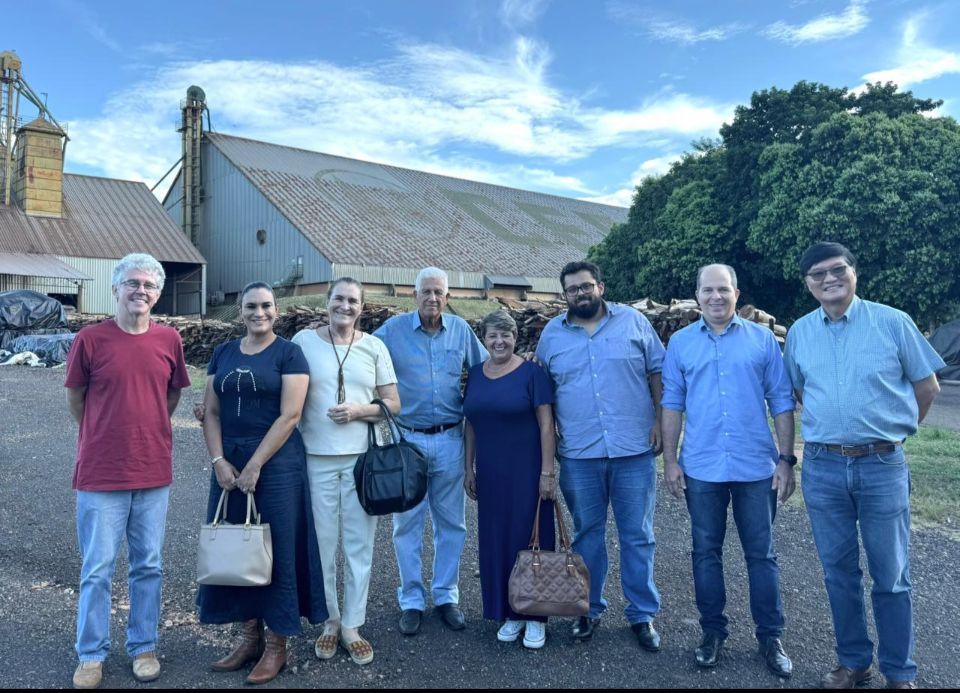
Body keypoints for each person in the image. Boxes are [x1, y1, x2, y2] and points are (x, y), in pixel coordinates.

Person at [784, 242, 944, 690]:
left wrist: (895, 433)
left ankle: (899, 672)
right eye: (818, 274)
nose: (829, 279)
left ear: (855, 272)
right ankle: (854, 663)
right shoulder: (799, 332)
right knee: (838, 572)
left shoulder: (893, 322)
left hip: (882, 466)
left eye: (838, 270)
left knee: (891, 575)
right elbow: (798, 392)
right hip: (823, 467)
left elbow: (926, 386)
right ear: (808, 284)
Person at [661, 264, 796, 677]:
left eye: (723, 289)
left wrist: (786, 459)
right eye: (708, 290)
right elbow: (672, 404)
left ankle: (770, 637)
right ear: (697, 296)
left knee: (762, 555)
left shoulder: (762, 341)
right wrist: (670, 461)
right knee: (705, 553)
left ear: (737, 293)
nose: (716, 297)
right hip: (701, 468)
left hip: (756, 467)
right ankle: (712, 632)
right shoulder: (681, 344)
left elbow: (782, 401)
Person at [65, 253, 192, 689]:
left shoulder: (169, 340)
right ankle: (91, 654)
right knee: (97, 567)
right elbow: (77, 399)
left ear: (157, 294)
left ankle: (143, 647)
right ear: (116, 288)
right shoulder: (91, 339)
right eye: (133, 283)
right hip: (101, 473)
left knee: (148, 566)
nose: (141, 291)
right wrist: (102, 435)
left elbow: (170, 397)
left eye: (149, 286)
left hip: (153, 471)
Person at [198, 281, 327, 686]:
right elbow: (212, 412)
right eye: (251, 306)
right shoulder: (224, 353)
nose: (260, 312)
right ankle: (249, 636)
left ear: (277, 310)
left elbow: (290, 415)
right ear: (240, 310)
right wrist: (219, 461)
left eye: (267, 305)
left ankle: (276, 645)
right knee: (238, 547)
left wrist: (255, 465)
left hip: (277, 464)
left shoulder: (290, 354)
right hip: (230, 463)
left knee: (276, 549)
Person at [534, 260, 665, 649]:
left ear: (601, 287)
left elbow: (657, 371)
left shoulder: (634, 323)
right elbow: (543, 390)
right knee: (587, 535)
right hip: (579, 453)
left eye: (586, 286)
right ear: (564, 295)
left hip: (634, 450)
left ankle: (642, 615)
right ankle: (588, 609)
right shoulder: (551, 335)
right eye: (573, 289)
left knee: (638, 535)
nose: (581, 293)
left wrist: (660, 419)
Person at [292, 278, 400, 666]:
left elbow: (393, 403)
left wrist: (358, 411)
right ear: (327, 302)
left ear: (362, 306)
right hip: (315, 456)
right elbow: (285, 391)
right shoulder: (303, 342)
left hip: (361, 461)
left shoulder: (374, 347)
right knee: (321, 545)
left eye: (353, 300)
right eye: (339, 298)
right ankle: (330, 620)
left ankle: (354, 624)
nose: (345, 306)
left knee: (358, 545)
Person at [373, 267, 488, 635]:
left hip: (451, 440)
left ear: (448, 297)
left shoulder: (461, 331)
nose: (433, 298)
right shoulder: (391, 332)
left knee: (451, 523)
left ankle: (445, 595)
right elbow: (362, 358)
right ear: (414, 294)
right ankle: (411, 599)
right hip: (409, 440)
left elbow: (487, 369)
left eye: (439, 292)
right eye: (426, 292)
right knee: (407, 524)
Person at [463, 311, 557, 649]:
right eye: (492, 336)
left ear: (516, 337)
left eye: (506, 335)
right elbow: (470, 423)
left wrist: (548, 472)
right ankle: (509, 612)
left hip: (527, 470)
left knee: (531, 539)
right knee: (497, 540)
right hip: (490, 471)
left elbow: (547, 425)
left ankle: (536, 616)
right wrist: (468, 467)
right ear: (484, 339)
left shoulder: (533, 373)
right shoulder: (474, 375)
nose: (499, 341)